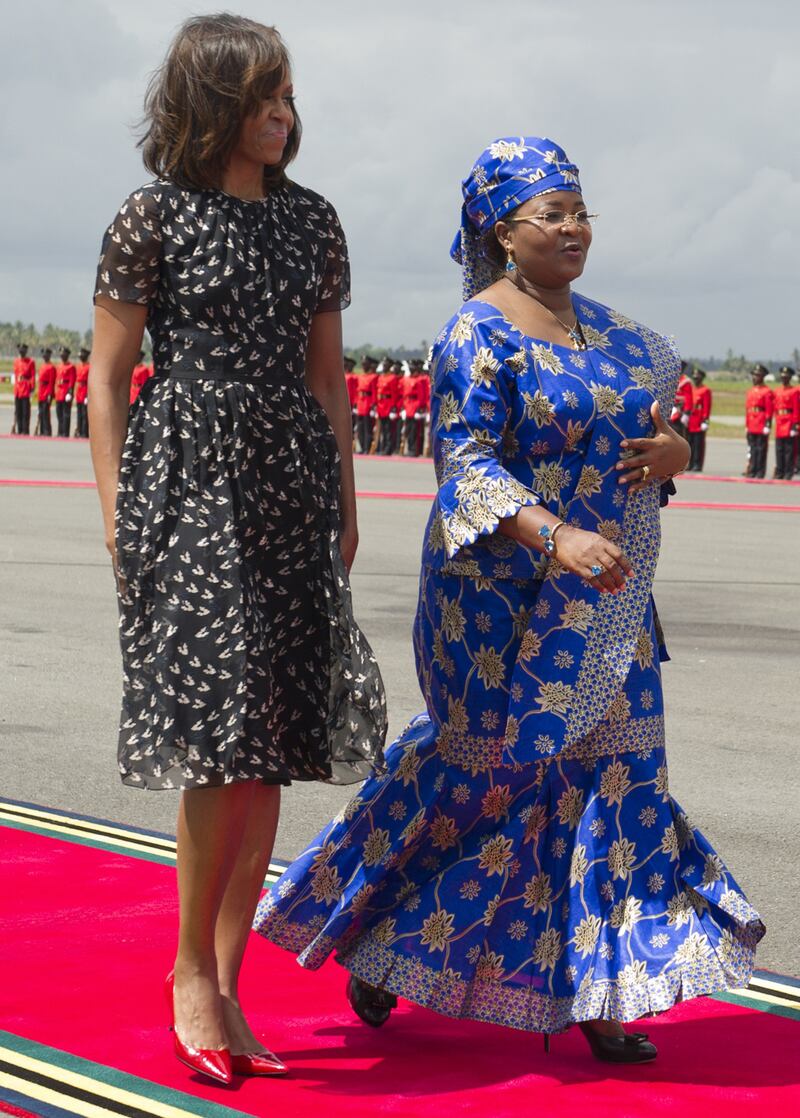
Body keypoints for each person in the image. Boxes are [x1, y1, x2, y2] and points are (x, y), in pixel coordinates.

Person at [254, 136, 764, 1064]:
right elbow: (467, 468)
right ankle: (386, 940)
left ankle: (607, 986)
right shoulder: (475, 336)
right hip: (495, 610)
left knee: (618, 780)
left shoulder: (626, 339)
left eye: (579, 211)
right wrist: (556, 535)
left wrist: (678, 455)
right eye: (551, 213)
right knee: (483, 784)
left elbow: (658, 434)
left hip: (610, 602)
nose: (572, 228)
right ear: (502, 229)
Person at [89, 13, 386, 1086]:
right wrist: (120, 512)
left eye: (287, 94)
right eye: (262, 93)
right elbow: (110, 382)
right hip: (188, 480)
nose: (282, 112)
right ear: (212, 98)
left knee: (268, 738)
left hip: (289, 482)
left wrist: (343, 502)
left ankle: (227, 978)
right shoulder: (151, 215)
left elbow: (326, 382)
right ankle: (185, 973)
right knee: (218, 731)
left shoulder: (314, 221)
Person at [743, 364, 774, 478]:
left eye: (757, 375)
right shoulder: (750, 391)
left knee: (761, 449)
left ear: (762, 377)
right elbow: (748, 409)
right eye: (754, 375)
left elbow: (769, 410)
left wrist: (768, 424)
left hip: (761, 423)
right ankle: (752, 470)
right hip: (752, 423)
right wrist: (747, 425)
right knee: (752, 448)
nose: (755, 377)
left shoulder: (767, 391)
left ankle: (760, 471)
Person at [772, 365, 799, 480]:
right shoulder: (777, 391)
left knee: (789, 449)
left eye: (786, 377)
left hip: (789, 421)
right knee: (779, 449)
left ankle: (788, 472)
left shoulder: (794, 391)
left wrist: (795, 425)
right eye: (782, 376)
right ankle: (780, 471)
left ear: (790, 378)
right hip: (779, 420)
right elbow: (775, 406)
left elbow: (796, 409)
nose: (784, 378)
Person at [400, 359, 430, 456]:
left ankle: (415, 450)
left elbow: (422, 395)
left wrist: (420, 407)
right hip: (408, 406)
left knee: (415, 430)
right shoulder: (407, 379)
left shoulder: (420, 380)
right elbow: (404, 394)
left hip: (415, 406)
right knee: (408, 430)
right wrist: (403, 407)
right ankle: (410, 448)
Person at [686, 367, 712, 471]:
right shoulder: (691, 389)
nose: (696, 378)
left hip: (699, 420)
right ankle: (690, 463)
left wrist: (705, 420)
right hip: (690, 420)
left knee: (698, 444)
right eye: (694, 377)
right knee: (690, 443)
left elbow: (707, 406)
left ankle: (697, 464)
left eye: (698, 377)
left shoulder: (705, 390)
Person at [355, 357, 378, 453]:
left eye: (365, 364)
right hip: (360, 403)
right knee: (360, 428)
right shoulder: (360, 376)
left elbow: (374, 392)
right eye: (363, 364)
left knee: (367, 428)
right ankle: (361, 446)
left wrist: (373, 405)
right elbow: (358, 390)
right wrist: (356, 404)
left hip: (368, 403)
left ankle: (366, 447)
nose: (363, 366)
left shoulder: (373, 377)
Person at [12, 343, 36, 435]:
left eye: (23, 350)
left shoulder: (30, 362)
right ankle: (19, 429)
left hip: (25, 388)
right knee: (18, 411)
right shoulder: (16, 361)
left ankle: (25, 430)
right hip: (18, 388)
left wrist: (32, 387)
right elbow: (16, 374)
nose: (21, 352)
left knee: (25, 411)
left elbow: (32, 375)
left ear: (26, 351)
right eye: (20, 350)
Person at [54, 347, 77, 437]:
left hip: (65, 392)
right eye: (61, 354)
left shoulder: (71, 367)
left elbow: (72, 380)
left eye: (63, 354)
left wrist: (70, 392)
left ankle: (65, 432)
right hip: (59, 392)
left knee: (66, 414)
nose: (62, 355)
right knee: (59, 413)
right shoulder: (59, 366)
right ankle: (60, 431)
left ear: (67, 355)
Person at [669, 359, 692, 435]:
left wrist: (686, 413)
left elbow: (688, 398)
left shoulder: (685, 381)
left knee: (678, 432)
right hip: (669, 409)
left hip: (679, 411)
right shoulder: (671, 379)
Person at [37, 348, 56, 436]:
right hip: (41, 391)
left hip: (46, 392)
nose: (44, 356)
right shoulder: (42, 366)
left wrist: (49, 394)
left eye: (46, 354)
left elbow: (51, 382)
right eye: (43, 354)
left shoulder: (51, 367)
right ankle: (42, 430)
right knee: (41, 412)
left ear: (49, 356)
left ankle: (47, 431)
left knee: (45, 412)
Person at [74, 348, 91, 438]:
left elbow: (90, 382)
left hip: (85, 390)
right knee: (79, 413)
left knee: (85, 414)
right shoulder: (79, 366)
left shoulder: (89, 367)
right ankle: (79, 431)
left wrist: (88, 395)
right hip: (79, 391)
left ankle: (84, 432)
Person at [344, 356, 358, 445]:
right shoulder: (343, 375)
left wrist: (355, 403)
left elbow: (355, 391)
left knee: (351, 424)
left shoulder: (354, 377)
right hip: (344, 402)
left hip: (351, 403)